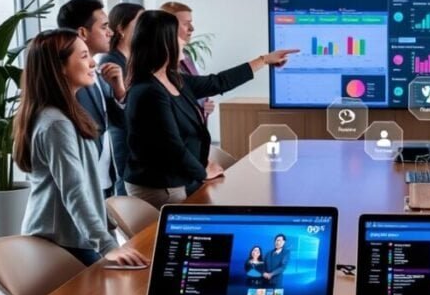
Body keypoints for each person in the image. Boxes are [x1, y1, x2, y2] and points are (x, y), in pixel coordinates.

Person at [123, 10, 299, 207]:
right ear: (164, 44)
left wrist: (265, 60)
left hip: (181, 180)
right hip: (161, 187)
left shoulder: (173, 79)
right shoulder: (148, 92)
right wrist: (202, 172)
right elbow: (171, 147)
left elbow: (218, 82)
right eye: (178, 36)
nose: (184, 40)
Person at [13, 29, 148, 267]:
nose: (93, 63)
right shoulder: (56, 123)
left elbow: (83, 181)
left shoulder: (64, 113)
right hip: (62, 241)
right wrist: (107, 246)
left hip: (73, 236)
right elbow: (74, 190)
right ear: (60, 67)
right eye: (84, 56)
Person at [57, 0, 126, 198]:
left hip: (104, 180)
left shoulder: (98, 72)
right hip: (84, 185)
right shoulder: (70, 83)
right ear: (82, 33)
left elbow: (116, 123)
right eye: (104, 26)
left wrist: (119, 92)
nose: (111, 33)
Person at [98, 2, 144, 196]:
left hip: (136, 132)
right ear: (121, 28)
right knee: (124, 182)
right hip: (123, 133)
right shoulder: (110, 61)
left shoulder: (135, 57)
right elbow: (115, 107)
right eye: (139, 22)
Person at [160, 1, 214, 122]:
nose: (192, 28)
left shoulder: (187, 58)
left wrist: (204, 106)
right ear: (168, 27)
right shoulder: (159, 66)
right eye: (186, 24)